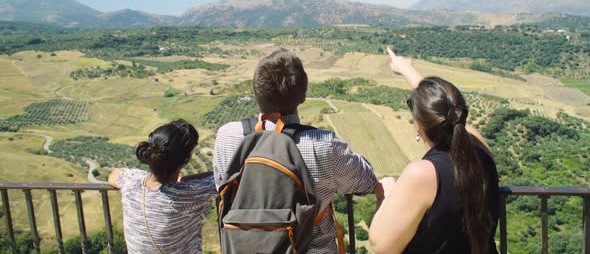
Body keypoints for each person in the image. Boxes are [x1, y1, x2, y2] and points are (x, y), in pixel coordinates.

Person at [214, 48, 380, 253]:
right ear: (303, 96)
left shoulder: (226, 136)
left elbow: (220, 187)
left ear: (257, 93)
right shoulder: (323, 145)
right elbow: (366, 181)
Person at [369, 48, 499, 254]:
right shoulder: (481, 149)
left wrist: (385, 196)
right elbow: (445, 112)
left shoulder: (423, 173)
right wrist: (407, 70)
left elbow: (381, 246)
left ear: (418, 126)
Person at [108, 120, 215, 254]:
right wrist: (184, 180)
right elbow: (223, 178)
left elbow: (114, 174)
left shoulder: (131, 182)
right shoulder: (187, 194)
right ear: (186, 160)